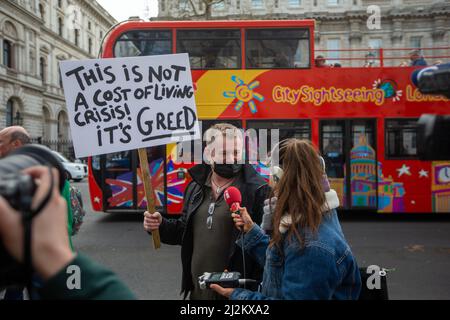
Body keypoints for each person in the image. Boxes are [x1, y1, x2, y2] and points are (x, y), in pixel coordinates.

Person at [210, 139, 361, 300]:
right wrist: (251, 231)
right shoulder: (314, 218)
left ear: (280, 180)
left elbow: (300, 258)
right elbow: (284, 262)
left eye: (273, 184)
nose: (272, 192)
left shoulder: (311, 246)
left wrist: (237, 295)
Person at [143, 123, 270, 300]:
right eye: (224, 153)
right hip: (198, 291)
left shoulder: (257, 190)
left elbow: (268, 248)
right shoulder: (195, 187)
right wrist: (159, 225)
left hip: (237, 294)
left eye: (236, 152)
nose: (232, 159)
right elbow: (183, 231)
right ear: (209, 154)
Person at [0, 166, 135, 300]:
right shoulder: (58, 182)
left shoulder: (58, 183)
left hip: (37, 255)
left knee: (18, 291)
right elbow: (70, 223)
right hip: (54, 253)